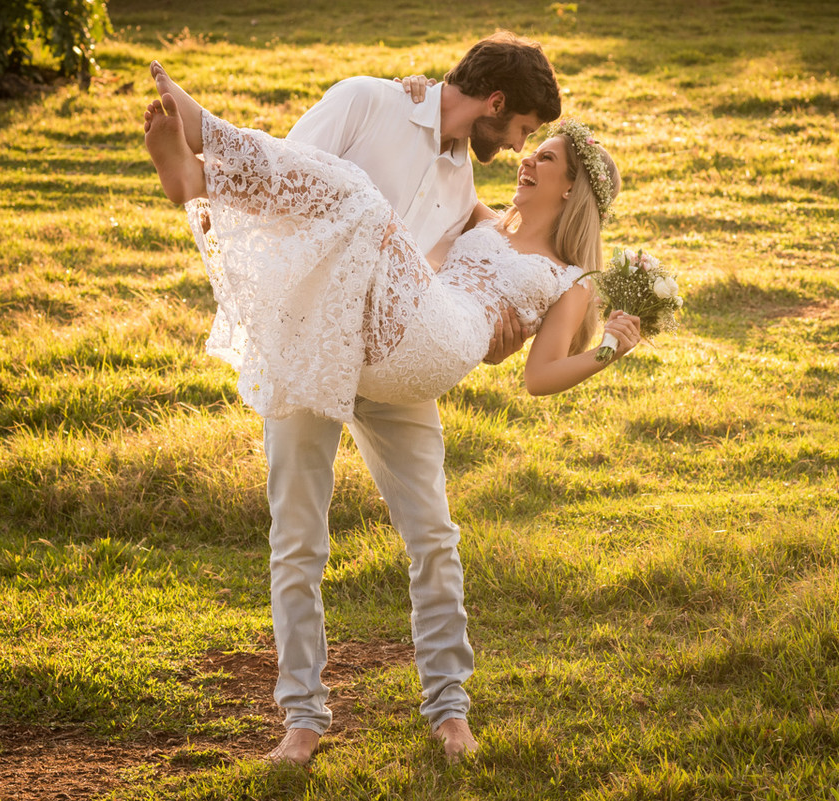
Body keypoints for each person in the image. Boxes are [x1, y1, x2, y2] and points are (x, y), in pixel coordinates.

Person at [143, 40, 642, 765]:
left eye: (540, 149)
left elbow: (502, 299)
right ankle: (302, 720)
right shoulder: (366, 101)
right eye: (525, 131)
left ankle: (450, 710)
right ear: (497, 104)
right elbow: (291, 186)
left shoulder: (466, 183)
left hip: (403, 343)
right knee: (297, 538)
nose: (522, 151)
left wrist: (502, 338)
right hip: (312, 337)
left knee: (433, 536)